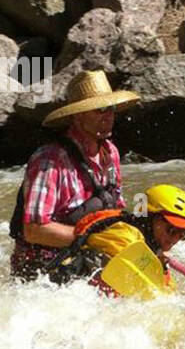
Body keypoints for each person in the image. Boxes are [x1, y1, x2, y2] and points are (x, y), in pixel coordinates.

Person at [9, 70, 138, 279]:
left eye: (112, 108)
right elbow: (33, 229)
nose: (109, 116)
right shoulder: (49, 160)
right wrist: (92, 239)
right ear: (78, 115)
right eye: (101, 109)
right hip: (43, 273)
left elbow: (116, 209)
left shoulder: (110, 152)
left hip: (87, 259)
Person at [45, 184, 185, 293]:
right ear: (148, 217)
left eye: (183, 234)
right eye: (171, 230)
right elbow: (156, 297)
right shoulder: (124, 237)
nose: (175, 239)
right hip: (59, 296)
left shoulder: (150, 247)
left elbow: (167, 295)